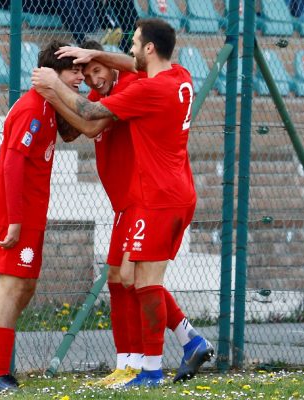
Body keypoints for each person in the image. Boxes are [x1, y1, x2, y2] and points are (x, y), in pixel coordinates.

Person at [31, 20, 214, 388]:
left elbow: (92, 120)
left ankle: (149, 368)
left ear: (148, 48)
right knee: (130, 278)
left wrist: (53, 88)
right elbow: (114, 86)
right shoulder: (180, 75)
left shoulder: (144, 89)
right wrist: (96, 55)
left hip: (154, 197)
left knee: (141, 281)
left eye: (133, 43)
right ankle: (180, 344)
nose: (129, 50)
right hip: (164, 193)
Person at [0, 40, 85, 393]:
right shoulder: (33, 108)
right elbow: (13, 162)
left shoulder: (50, 105)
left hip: (31, 214)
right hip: (14, 214)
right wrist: (14, 218)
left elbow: (74, 128)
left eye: (81, 71)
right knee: (12, 286)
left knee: (25, 288)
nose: (79, 78)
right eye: (73, 71)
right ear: (53, 72)